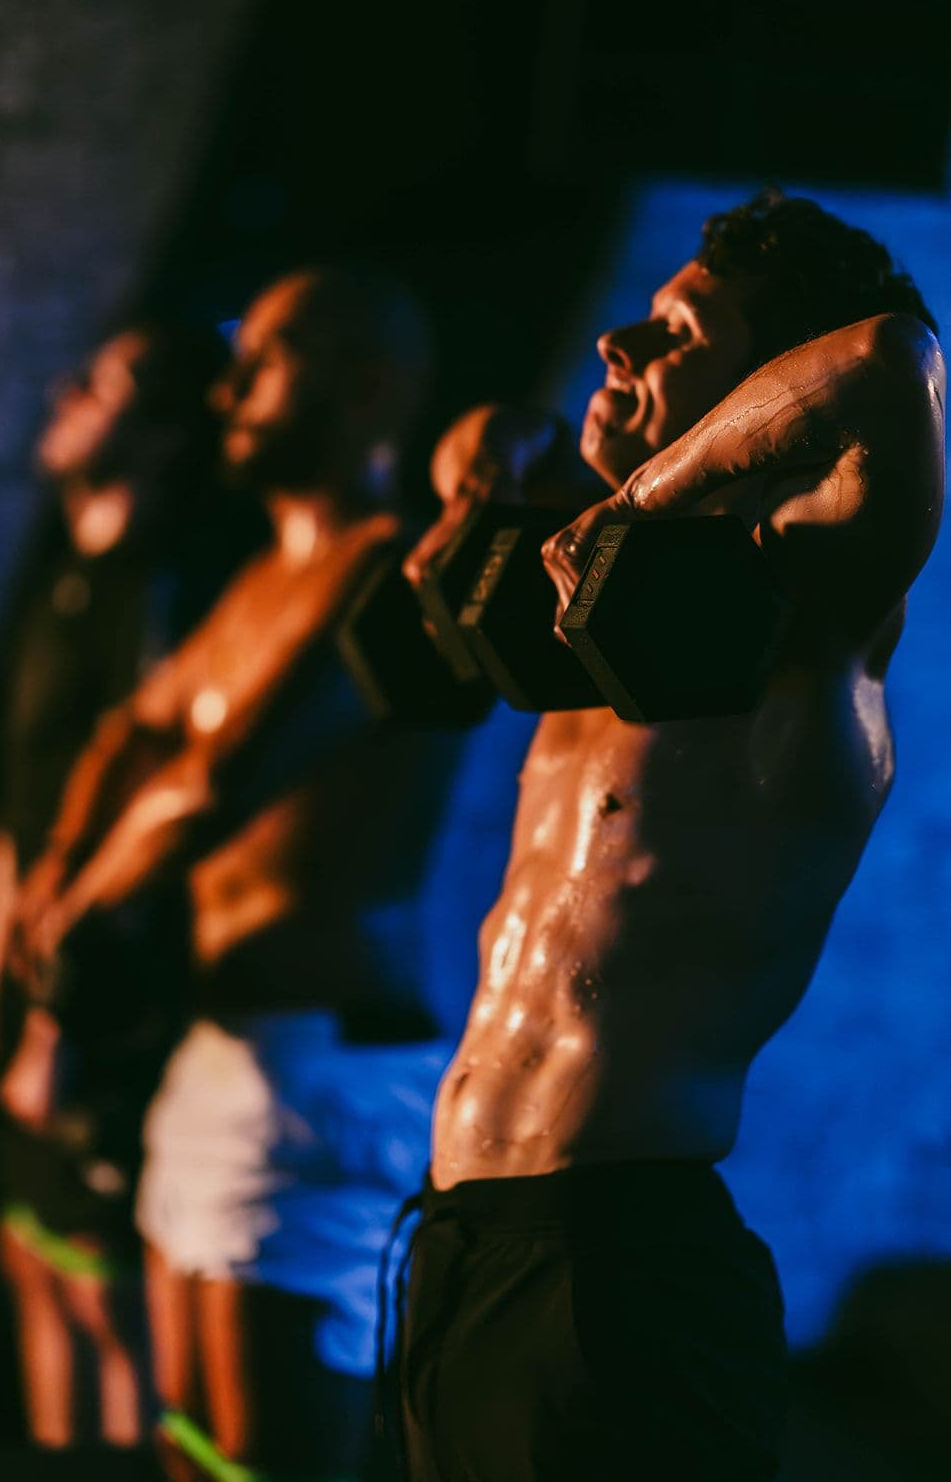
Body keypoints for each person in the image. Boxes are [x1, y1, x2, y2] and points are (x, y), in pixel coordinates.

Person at [398, 191, 944, 1480]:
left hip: (618, 1265)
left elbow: (892, 360)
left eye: (679, 333)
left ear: (765, 387)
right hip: (461, 1249)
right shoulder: (612, 617)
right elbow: (477, 450)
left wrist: (639, 491)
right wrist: (490, 453)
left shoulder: (809, 609)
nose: (619, 346)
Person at [11, 267, 465, 1479]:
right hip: (226, 1047)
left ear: (367, 388)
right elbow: (137, 733)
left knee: (272, 1460)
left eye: (267, 361)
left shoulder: (387, 571)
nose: (230, 389)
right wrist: (59, 868)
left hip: (323, 1070)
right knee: (191, 1444)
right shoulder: (263, 577)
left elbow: (220, 779)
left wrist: (80, 905)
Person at [0, 321, 239, 1449]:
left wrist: (55, 1022)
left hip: (101, 1002)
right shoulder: (69, 574)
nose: (64, 393)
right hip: (27, 985)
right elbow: (14, 816)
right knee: (27, 1257)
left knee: (102, 1293)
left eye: (100, 386)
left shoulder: (162, 588)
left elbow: (143, 824)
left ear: (162, 438)